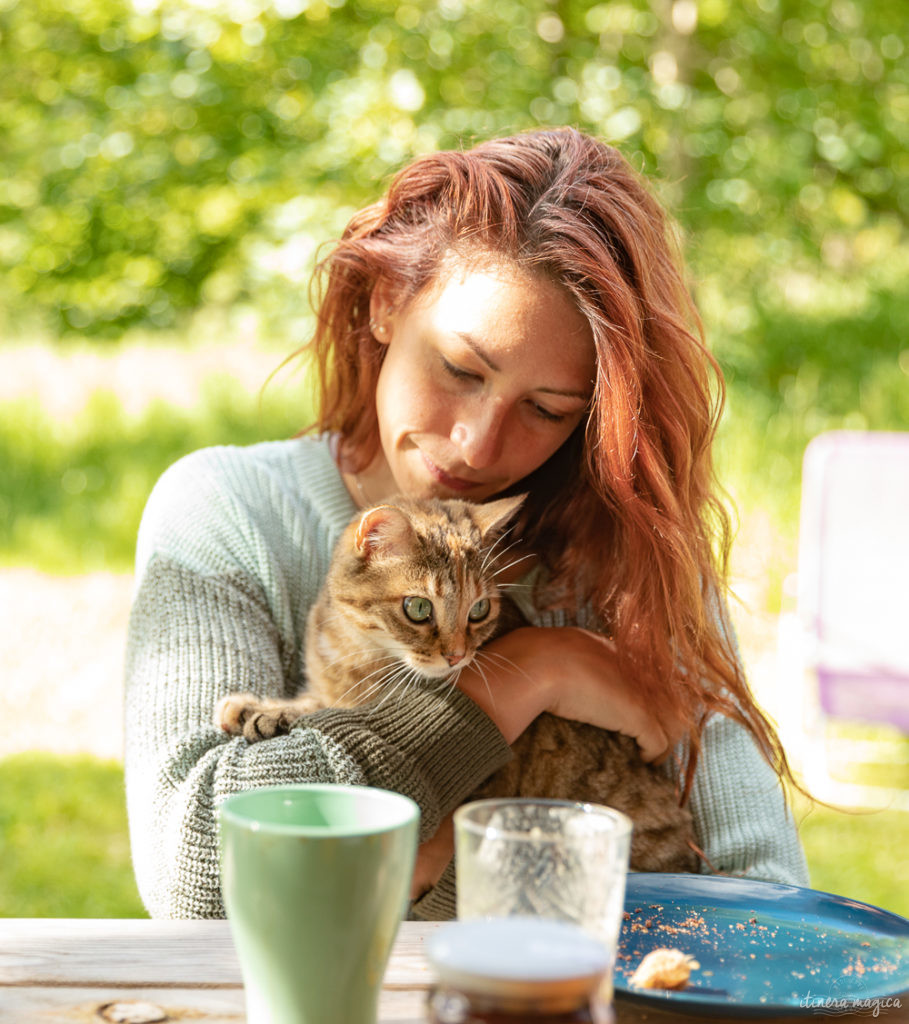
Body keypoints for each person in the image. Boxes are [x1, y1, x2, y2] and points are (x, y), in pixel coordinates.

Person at [124, 127, 808, 919]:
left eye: (546, 410)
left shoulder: (623, 548)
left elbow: (766, 900)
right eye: (460, 370)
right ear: (385, 304)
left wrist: (415, 873)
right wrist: (534, 674)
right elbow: (200, 880)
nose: (478, 445)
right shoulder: (227, 512)